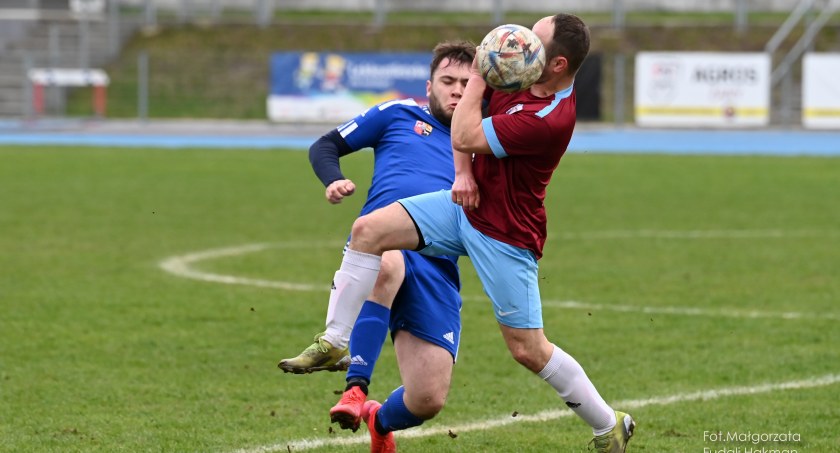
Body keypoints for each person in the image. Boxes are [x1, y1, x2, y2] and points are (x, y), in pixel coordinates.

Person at [322, 14, 635, 453]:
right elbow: (463, 132)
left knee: (527, 349)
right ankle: (335, 345)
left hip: (504, 233)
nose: (520, 43)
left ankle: (608, 424)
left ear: (558, 64)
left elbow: (466, 131)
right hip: (463, 209)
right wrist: (464, 174)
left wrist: (480, 71)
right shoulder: (522, 71)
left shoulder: (547, 117)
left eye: (535, 41)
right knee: (369, 230)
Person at [278, 42, 476, 451]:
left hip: (438, 264)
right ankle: (354, 387)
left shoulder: (484, 138)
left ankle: (378, 418)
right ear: (430, 86)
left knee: (427, 400)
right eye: (448, 81)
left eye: (466, 83)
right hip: (380, 243)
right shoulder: (397, 113)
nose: (457, 90)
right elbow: (325, 145)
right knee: (386, 264)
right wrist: (333, 179)